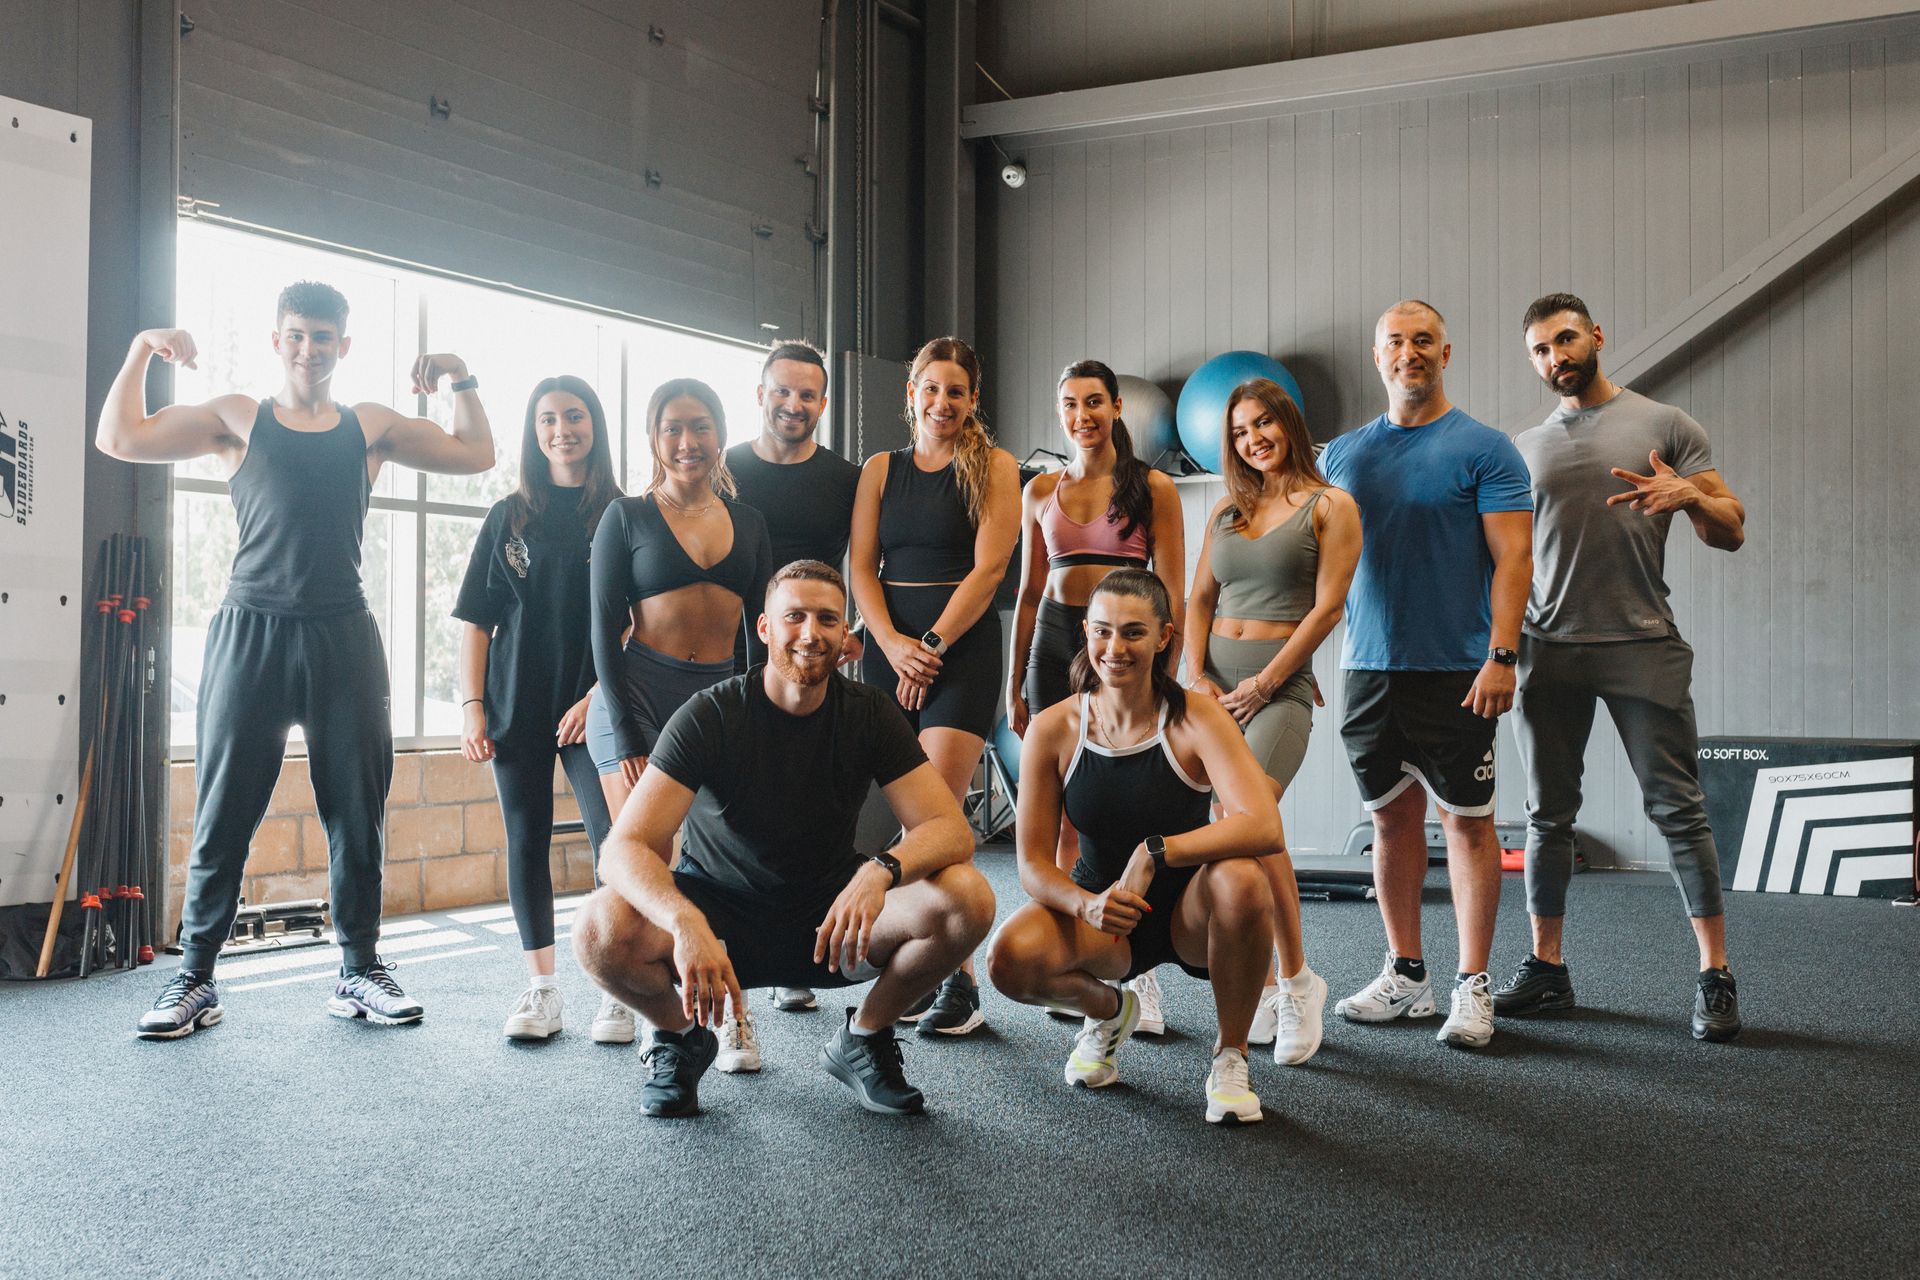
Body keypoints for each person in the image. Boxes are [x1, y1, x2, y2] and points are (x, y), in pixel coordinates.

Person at [98, 281, 495, 1038]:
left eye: (322, 337)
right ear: (276, 341)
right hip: (250, 633)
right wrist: (140, 351)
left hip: (342, 637)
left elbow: (475, 454)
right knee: (223, 815)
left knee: (356, 815)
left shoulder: (369, 426)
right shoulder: (236, 420)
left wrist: (460, 375)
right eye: (295, 335)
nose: (307, 348)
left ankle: (359, 970)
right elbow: (119, 437)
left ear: (343, 346)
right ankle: (195, 979)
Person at [570, 562, 996, 1117]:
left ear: (847, 638)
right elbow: (623, 848)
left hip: (831, 925)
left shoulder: (869, 713)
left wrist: (880, 870)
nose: (810, 633)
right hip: (716, 930)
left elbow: (948, 828)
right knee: (598, 928)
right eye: (793, 616)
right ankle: (679, 1037)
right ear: (765, 628)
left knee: (968, 897)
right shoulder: (712, 715)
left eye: (826, 619)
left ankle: (865, 1037)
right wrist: (682, 921)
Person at [1501, 293, 1747, 1042]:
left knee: (1679, 811)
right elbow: (1507, 562)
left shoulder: (1667, 425)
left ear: (1597, 336)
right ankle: (1547, 971)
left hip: (1643, 643)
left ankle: (1715, 976)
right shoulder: (1522, 449)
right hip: (1550, 649)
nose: (1557, 358)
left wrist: (1692, 496)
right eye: (1542, 350)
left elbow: (1732, 530)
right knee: (1548, 816)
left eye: (1566, 340)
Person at [986, 570, 1284, 1125]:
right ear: (1085, 632)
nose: (1115, 649)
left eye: (1133, 633)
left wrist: (1155, 851)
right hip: (1108, 917)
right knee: (1008, 960)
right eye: (1102, 632)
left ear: (1164, 636)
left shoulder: (1197, 717)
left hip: (1192, 917)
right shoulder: (1055, 728)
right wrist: (1086, 904)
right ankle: (1109, 1011)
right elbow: (1029, 864)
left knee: (1243, 876)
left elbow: (1263, 825)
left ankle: (1231, 1055)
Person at [1319, 300, 1534, 1051]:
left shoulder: (1486, 448)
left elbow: (1515, 559)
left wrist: (1502, 655)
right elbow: (1306, 568)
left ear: (1446, 353)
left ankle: (1473, 987)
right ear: (1376, 358)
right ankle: (1406, 974)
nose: (1408, 353)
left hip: (1458, 671)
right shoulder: (1340, 458)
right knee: (1388, 819)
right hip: (1369, 668)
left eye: (1422, 342)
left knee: (1469, 825)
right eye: (1395, 343)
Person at [1185, 377, 1361, 1065]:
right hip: (1212, 688)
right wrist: (1197, 675)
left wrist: (1264, 683)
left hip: (1276, 692)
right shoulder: (1228, 510)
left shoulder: (1330, 506)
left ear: (1288, 422)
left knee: (1250, 827)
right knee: (1237, 836)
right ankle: (1261, 983)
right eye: (1238, 431)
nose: (1252, 438)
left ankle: (1296, 981)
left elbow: (1326, 610)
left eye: (1263, 423)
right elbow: (1200, 597)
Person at [1006, 359, 1185, 1031]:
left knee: (1122, 805)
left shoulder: (1153, 487)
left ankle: (1137, 966)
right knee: (1060, 811)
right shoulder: (1039, 492)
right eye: (1069, 405)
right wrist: (1012, 678)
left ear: (1115, 408)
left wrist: (1169, 670)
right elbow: (1026, 594)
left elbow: (1171, 590)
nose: (1081, 415)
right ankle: (1073, 959)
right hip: (1053, 641)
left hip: (1121, 646)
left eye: (1093, 402)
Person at [849, 336, 1020, 1036]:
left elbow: (988, 570)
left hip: (960, 649)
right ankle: (924, 955)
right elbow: (861, 565)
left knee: (938, 815)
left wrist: (931, 647)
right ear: (911, 394)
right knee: (897, 809)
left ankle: (959, 979)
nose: (942, 402)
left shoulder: (996, 467)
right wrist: (890, 644)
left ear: (973, 399)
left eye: (956, 391)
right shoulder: (880, 469)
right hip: (888, 647)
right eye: (930, 388)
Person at [454, 375, 624, 1043]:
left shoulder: (621, 511)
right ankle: (543, 990)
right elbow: (476, 620)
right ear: (533, 430)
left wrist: (598, 696)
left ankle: (618, 989)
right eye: (548, 418)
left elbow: (639, 622)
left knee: (611, 841)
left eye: (575, 415)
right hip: (516, 703)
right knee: (524, 841)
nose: (562, 429)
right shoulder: (508, 515)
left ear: (594, 425)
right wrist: (473, 708)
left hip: (594, 706)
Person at [722, 340, 862, 1030]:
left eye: (808, 395)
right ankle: (737, 963)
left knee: (801, 800)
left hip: (812, 655)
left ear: (823, 404)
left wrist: (850, 627)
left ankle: (795, 956)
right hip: (734, 654)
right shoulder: (725, 468)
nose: (794, 405)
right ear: (761, 394)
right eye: (783, 391)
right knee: (734, 807)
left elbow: (863, 561)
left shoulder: (847, 477)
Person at [586, 377, 773, 823]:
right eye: (672, 429)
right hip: (635, 702)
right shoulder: (627, 516)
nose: (687, 442)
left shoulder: (750, 524)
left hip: (717, 702)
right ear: (654, 438)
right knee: (645, 860)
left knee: (707, 864)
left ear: (721, 435)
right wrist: (626, 734)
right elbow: (604, 629)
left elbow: (762, 633)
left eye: (700, 427)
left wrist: (761, 718)